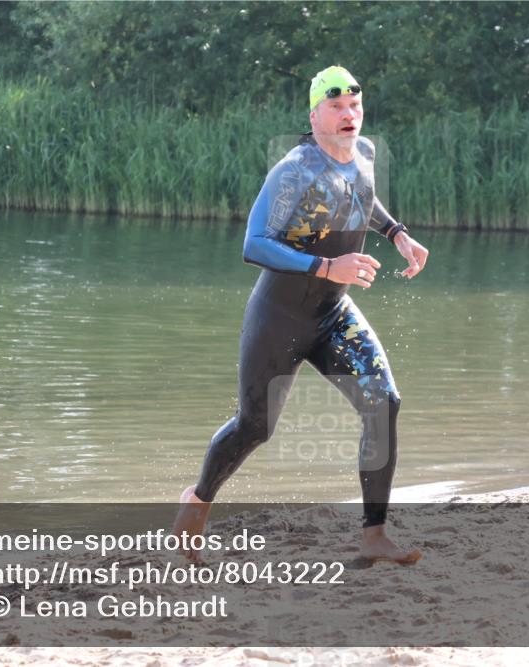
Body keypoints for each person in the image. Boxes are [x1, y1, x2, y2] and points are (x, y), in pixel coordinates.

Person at [172, 65, 429, 564]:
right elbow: (254, 244)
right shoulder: (294, 169)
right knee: (255, 427)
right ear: (314, 117)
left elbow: (362, 197)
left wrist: (396, 232)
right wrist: (328, 265)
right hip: (279, 318)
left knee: (383, 402)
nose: (349, 114)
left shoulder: (366, 153)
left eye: (355, 106)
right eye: (336, 107)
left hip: (333, 314)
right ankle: (198, 500)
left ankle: (374, 535)